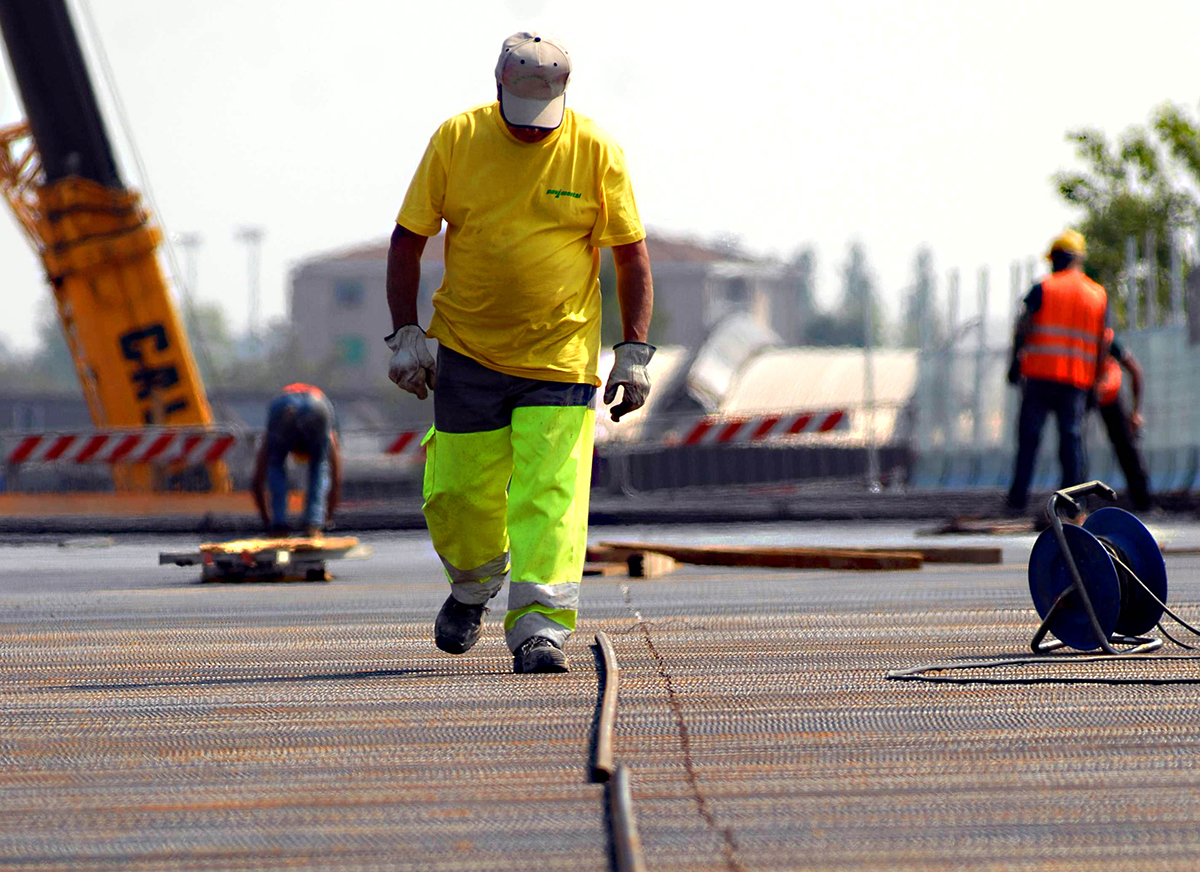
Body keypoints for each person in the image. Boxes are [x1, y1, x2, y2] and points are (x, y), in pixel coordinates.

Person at [384, 31, 654, 674]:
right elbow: (407, 240)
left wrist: (634, 349)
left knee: (551, 494)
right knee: (457, 494)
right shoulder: (457, 140)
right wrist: (406, 335)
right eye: (522, 120)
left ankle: (540, 627)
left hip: (559, 358)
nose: (534, 134)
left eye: (544, 122)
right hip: (468, 352)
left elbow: (630, 255)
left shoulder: (594, 150)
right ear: (497, 90)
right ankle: (474, 585)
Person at [1005, 230, 1108, 514]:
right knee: (1071, 442)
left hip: (1040, 377)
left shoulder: (1044, 288)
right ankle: (1073, 505)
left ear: (1058, 260)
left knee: (1029, 441)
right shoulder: (1097, 295)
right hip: (1076, 380)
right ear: (1080, 259)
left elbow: (1022, 327)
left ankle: (1017, 502)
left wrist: (1014, 363)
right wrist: (1097, 382)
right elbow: (1103, 342)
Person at [251, 383, 341, 537]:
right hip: (317, 404)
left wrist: (269, 521)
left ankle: (280, 525)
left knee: (276, 465)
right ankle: (313, 524)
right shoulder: (328, 439)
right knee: (318, 467)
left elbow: (258, 479)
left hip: (283, 406)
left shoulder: (271, 440)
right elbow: (337, 478)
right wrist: (327, 518)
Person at [1095, 328, 1152, 511]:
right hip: (1080, 390)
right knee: (1072, 443)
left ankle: (1142, 499)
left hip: (1106, 393)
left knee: (1125, 444)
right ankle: (1075, 503)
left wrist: (1135, 412)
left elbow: (1134, 370)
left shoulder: (1106, 340)